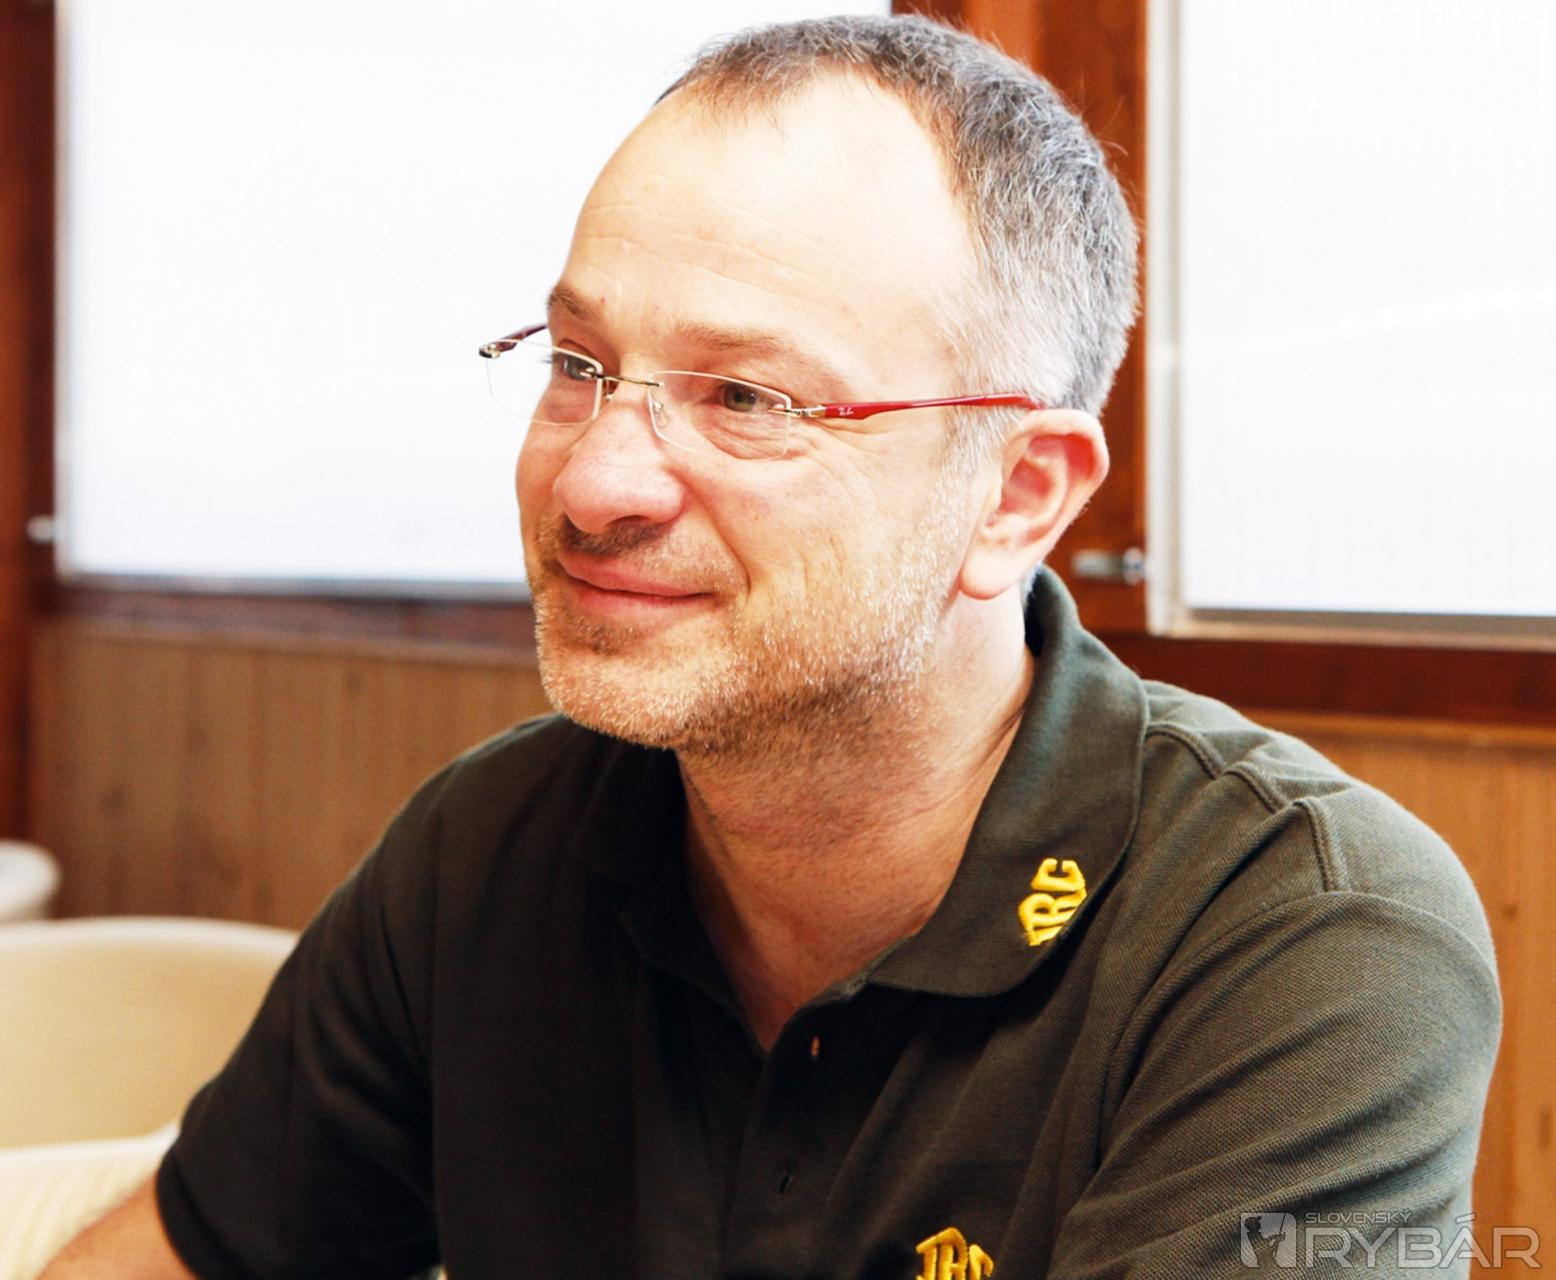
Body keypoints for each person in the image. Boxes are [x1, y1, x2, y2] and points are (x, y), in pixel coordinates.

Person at [44, 15, 1499, 1279]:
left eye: (747, 398)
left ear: (1017, 496)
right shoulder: (490, 850)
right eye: (578, 366)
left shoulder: (1302, 940)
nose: (594, 482)